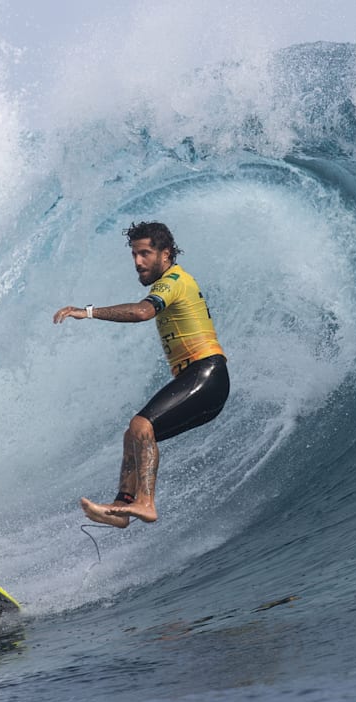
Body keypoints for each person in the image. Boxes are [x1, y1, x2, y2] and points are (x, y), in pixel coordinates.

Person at [53, 221, 229, 528]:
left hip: (207, 374)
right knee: (133, 435)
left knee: (141, 424)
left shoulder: (173, 280)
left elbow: (141, 312)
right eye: (134, 254)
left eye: (145, 253)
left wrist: (88, 311)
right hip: (201, 381)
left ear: (166, 253)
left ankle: (146, 502)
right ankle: (122, 507)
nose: (138, 262)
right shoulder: (173, 281)